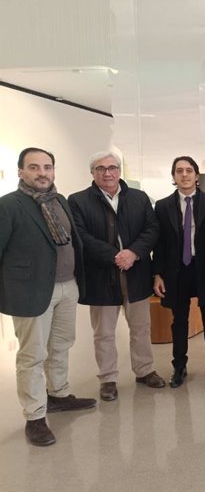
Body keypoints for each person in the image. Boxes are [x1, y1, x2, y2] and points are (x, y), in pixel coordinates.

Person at [0, 148, 96, 447]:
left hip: (67, 286)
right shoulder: (9, 206)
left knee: (61, 345)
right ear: (20, 172)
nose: (42, 173)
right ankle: (35, 416)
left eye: (47, 167)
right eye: (34, 167)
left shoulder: (59, 200)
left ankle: (58, 395)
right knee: (32, 356)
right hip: (31, 292)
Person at [68, 150, 165, 401]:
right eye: (101, 168)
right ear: (92, 173)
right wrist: (115, 256)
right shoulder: (77, 201)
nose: (108, 173)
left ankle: (144, 371)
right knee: (104, 333)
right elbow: (81, 237)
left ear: (120, 171)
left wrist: (133, 253)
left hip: (137, 274)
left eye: (112, 167)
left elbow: (152, 229)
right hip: (102, 276)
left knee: (141, 328)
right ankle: (108, 379)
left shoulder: (139, 198)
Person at [153, 156, 205, 388]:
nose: (184, 175)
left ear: (197, 176)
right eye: (179, 171)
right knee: (179, 321)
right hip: (176, 271)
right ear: (173, 177)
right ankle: (179, 366)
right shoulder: (163, 206)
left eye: (188, 170)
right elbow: (159, 243)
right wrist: (157, 274)